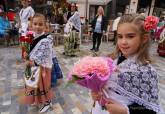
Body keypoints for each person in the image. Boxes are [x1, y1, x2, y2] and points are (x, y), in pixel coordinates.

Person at [91, 14, 163, 114]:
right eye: (120, 36)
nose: (123, 42)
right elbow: (104, 87)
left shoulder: (147, 72)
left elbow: (151, 109)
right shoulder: (112, 60)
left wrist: (126, 111)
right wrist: (96, 94)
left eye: (130, 36)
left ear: (144, 38)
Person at [22, 13, 54, 113]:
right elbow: (29, 50)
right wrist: (25, 53)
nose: (38, 27)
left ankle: (47, 102)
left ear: (45, 26)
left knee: (43, 86)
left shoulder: (46, 40)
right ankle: (39, 100)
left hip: (42, 68)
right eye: (35, 24)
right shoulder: (31, 37)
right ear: (31, 25)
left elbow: (42, 56)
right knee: (36, 86)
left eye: (40, 24)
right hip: (34, 68)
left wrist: (31, 62)